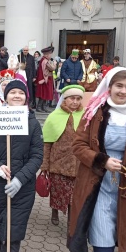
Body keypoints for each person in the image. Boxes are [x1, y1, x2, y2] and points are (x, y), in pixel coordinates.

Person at [67, 67, 126, 252]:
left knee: (125, 240)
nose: (123, 91)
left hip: (124, 190)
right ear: (109, 87)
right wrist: (102, 161)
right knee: (104, 246)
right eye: (119, 86)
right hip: (98, 186)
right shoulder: (94, 113)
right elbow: (78, 145)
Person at [0, 79, 43, 252]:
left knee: (12, 235)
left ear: (26, 98)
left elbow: (37, 156)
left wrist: (20, 179)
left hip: (23, 189)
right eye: (13, 92)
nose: (17, 95)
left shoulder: (33, 123)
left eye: (21, 93)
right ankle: (4, 250)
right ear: (5, 97)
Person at [41, 85, 85, 225]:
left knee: (74, 195)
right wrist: (45, 165)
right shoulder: (54, 116)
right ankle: (55, 211)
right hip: (58, 162)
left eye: (78, 99)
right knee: (57, 191)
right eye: (72, 98)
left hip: (77, 163)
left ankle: (72, 220)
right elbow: (47, 143)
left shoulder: (85, 117)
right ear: (64, 99)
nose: (75, 102)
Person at [35, 46, 57, 112]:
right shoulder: (45, 61)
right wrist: (55, 64)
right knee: (44, 93)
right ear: (47, 54)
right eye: (50, 54)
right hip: (46, 79)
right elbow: (52, 68)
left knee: (45, 93)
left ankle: (43, 107)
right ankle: (39, 107)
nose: (50, 55)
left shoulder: (44, 60)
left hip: (47, 79)